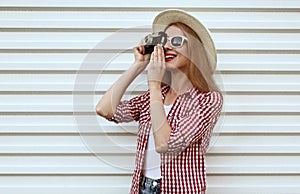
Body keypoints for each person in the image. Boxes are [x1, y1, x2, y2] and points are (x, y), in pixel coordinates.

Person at [96, 9, 223, 194]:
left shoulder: (207, 100)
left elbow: (166, 145)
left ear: (194, 51)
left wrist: (154, 84)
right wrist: (138, 65)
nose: (168, 47)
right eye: (164, 41)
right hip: (143, 187)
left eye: (177, 41)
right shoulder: (155, 96)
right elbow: (105, 109)